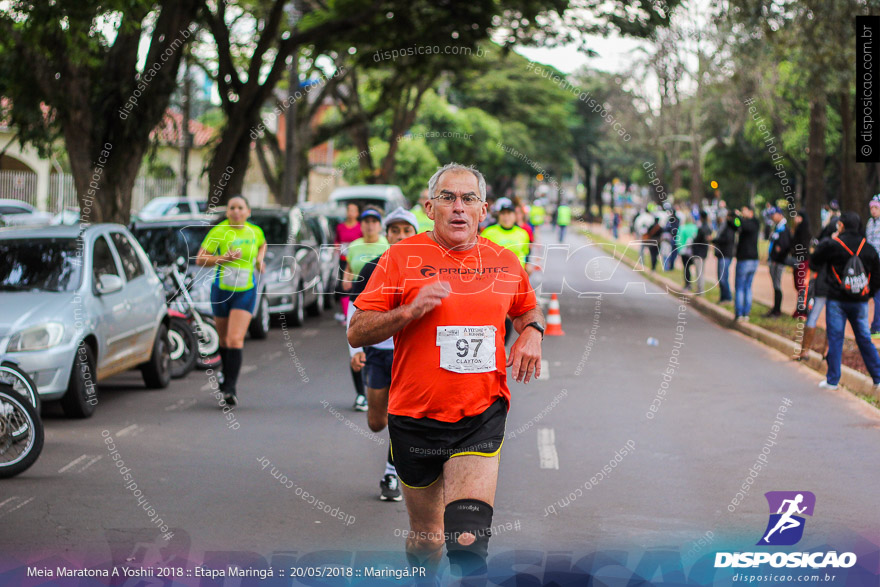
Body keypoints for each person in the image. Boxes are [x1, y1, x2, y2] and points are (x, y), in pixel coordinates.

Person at [348, 163, 544, 580]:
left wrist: (533, 333)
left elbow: (526, 307)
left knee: (469, 541)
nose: (459, 208)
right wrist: (408, 311)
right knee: (427, 537)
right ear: (429, 207)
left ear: (483, 210)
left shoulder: (504, 262)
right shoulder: (400, 258)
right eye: (448, 198)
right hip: (414, 417)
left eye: (468, 199)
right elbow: (357, 330)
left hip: (480, 413)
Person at [348, 207, 419, 503]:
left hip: (414, 355)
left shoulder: (427, 267)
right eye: (395, 231)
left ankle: (392, 471)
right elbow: (355, 311)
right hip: (378, 352)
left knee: (402, 417)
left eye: (407, 231)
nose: (401, 236)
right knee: (377, 421)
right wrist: (354, 349)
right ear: (387, 235)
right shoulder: (373, 267)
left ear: (416, 234)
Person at [196, 195, 266, 406]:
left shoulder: (255, 231)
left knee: (236, 339)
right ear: (227, 212)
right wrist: (222, 259)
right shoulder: (219, 231)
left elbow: (263, 245)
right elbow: (200, 259)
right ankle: (225, 375)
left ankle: (230, 388)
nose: (236, 211)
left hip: (245, 291)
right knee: (224, 339)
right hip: (221, 291)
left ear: (248, 212)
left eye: (240, 207)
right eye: (232, 208)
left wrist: (259, 260)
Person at [809, 212, 880, 390]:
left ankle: (833, 380)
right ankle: (878, 377)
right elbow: (878, 275)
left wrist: (830, 239)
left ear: (841, 226)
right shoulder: (869, 248)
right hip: (860, 302)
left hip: (836, 300)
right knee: (864, 338)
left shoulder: (834, 245)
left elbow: (815, 261)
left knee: (835, 338)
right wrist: (868, 293)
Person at [343, 208, 389, 411]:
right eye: (366, 221)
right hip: (357, 297)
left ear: (380, 225)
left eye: (374, 221)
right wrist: (346, 279)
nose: (370, 225)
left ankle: (382, 392)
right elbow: (350, 269)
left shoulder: (387, 245)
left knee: (377, 350)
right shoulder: (354, 246)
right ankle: (361, 394)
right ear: (361, 225)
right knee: (355, 345)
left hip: (380, 303)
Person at [481, 200, 533, 346]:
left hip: (515, 280)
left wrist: (528, 266)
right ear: (499, 216)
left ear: (514, 216)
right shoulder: (489, 232)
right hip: (492, 280)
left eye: (509, 214)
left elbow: (526, 253)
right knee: (496, 312)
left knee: (509, 314)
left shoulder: (522, 233)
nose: (506, 217)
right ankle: (492, 342)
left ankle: (502, 345)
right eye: (503, 214)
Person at [335, 202, 363, 321]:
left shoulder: (360, 227)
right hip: (343, 260)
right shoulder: (340, 227)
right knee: (344, 286)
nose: (350, 213)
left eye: (353, 211)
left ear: (357, 213)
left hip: (357, 260)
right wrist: (337, 248)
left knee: (357, 285)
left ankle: (358, 312)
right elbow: (337, 240)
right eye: (349, 210)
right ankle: (347, 315)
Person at [731, 206, 760, 321]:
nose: (743, 213)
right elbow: (736, 226)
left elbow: (743, 225)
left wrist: (738, 216)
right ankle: (743, 313)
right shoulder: (745, 223)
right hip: (749, 259)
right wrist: (733, 218)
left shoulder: (753, 223)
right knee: (745, 287)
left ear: (751, 212)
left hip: (746, 260)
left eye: (744, 211)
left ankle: (741, 313)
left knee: (742, 287)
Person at [766, 207, 791, 317]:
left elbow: (784, 246)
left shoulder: (784, 229)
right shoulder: (777, 227)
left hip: (778, 262)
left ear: (780, 214)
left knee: (777, 286)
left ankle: (777, 310)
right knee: (775, 286)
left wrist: (777, 258)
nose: (772, 217)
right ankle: (775, 308)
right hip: (774, 260)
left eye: (774, 214)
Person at [790, 210, 812, 319]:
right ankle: (800, 308)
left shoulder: (803, 230)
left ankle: (802, 310)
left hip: (802, 260)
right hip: (799, 260)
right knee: (799, 285)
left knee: (801, 286)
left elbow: (802, 246)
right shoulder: (799, 229)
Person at [712, 208, 736, 302]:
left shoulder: (728, 226)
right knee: (720, 277)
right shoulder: (721, 226)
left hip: (726, 254)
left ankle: (727, 297)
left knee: (723, 277)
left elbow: (727, 240)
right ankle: (723, 297)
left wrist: (715, 240)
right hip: (720, 254)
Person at [866, 196, 880, 336]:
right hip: (872, 264)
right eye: (872, 208)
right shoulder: (870, 223)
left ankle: (876, 326)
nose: (873, 210)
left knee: (877, 296)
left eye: (876, 208)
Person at [690, 211, 711, 293]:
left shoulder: (702, 228)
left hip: (699, 252)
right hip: (704, 252)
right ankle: (700, 289)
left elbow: (697, 240)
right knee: (701, 271)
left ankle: (700, 289)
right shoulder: (708, 228)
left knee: (699, 272)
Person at [676, 214, 698, 290]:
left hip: (684, 251)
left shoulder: (682, 228)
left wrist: (679, 250)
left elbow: (679, 240)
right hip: (694, 251)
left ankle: (688, 284)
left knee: (686, 268)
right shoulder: (695, 228)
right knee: (697, 268)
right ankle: (698, 286)